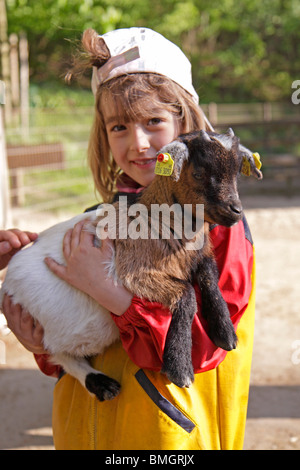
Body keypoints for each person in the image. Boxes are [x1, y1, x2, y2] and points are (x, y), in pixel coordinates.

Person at [1, 27, 256, 450]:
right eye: (118, 126)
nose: (138, 143)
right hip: (86, 435)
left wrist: (105, 289)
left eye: (154, 121)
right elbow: (71, 345)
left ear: (186, 121)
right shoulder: (98, 223)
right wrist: (39, 339)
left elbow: (204, 349)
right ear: (103, 135)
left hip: (168, 438)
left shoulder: (216, 230)